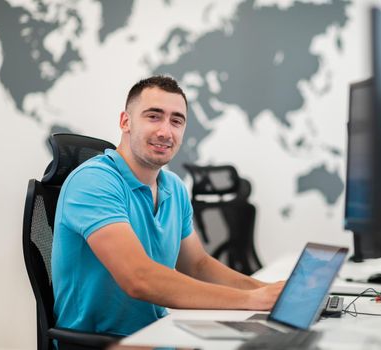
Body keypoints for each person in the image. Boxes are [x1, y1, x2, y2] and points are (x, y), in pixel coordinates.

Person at [51, 75, 284, 336]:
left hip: (160, 335)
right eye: (153, 116)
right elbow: (139, 278)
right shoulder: (93, 181)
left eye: (176, 121)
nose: (165, 131)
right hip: (104, 343)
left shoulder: (173, 187)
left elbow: (197, 266)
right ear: (125, 121)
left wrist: (267, 291)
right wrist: (253, 301)